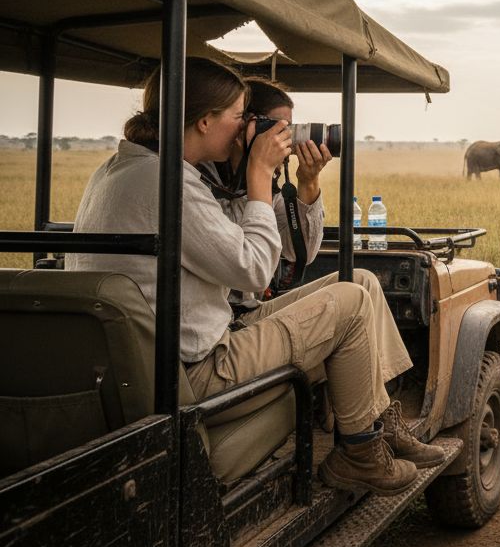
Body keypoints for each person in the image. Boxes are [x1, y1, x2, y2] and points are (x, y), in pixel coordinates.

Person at [68, 58, 443, 496]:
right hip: (199, 369)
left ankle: (377, 423)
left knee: (358, 281)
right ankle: (359, 453)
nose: (246, 129)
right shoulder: (169, 183)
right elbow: (254, 266)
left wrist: (292, 185)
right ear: (206, 122)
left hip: (179, 351)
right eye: (238, 117)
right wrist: (261, 175)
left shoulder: (127, 169)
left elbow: (284, 249)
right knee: (353, 302)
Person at [200, 78, 330, 308]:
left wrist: (308, 182)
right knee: (354, 295)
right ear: (246, 126)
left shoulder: (268, 184)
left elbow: (301, 253)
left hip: (252, 308)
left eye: (288, 128)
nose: (285, 139)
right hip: (223, 316)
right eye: (277, 127)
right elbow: (250, 271)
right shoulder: (200, 179)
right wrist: (259, 169)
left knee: (361, 282)